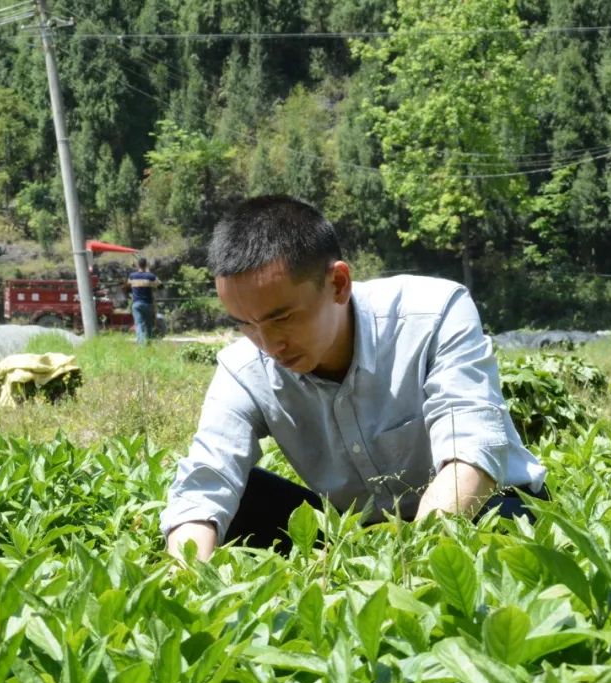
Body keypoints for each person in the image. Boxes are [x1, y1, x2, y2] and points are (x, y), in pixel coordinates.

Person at [161, 196, 547, 560]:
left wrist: (409, 562)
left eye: (282, 318)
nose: (269, 344)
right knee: (240, 498)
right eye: (246, 324)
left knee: (507, 537)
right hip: (357, 532)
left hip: (484, 503)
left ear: (338, 284)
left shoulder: (434, 314)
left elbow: (472, 452)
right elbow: (205, 483)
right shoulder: (244, 368)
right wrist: (190, 584)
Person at [128, 257, 160, 344]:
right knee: (149, 324)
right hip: (148, 304)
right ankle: (149, 341)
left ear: (138, 265)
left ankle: (141, 344)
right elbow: (161, 286)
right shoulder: (151, 276)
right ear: (146, 265)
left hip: (136, 304)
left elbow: (127, 287)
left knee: (139, 324)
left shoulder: (132, 276)